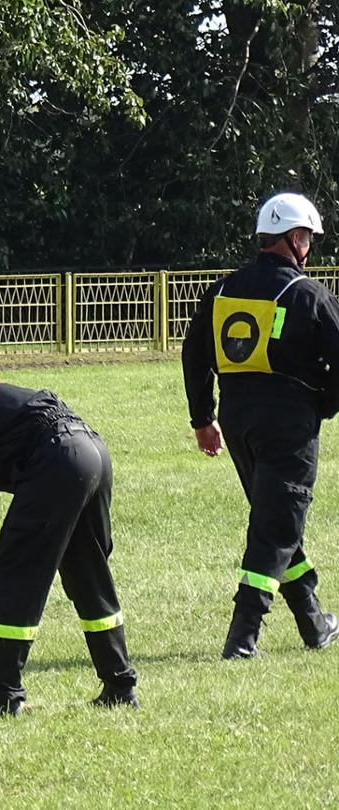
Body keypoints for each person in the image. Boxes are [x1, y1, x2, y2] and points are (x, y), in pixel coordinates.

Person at [182, 192, 339, 659]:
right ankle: (242, 638)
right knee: (274, 528)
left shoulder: (223, 289)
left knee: (277, 518)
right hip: (288, 423)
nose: (308, 246)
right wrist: (323, 406)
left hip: (236, 421)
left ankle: (314, 623)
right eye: (307, 238)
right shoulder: (309, 294)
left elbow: (194, 353)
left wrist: (202, 418)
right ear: (293, 239)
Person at [0, 381, 139, 715]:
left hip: (57, 457)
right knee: (88, 576)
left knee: (11, 577)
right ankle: (120, 685)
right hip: (90, 450)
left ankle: (5, 694)